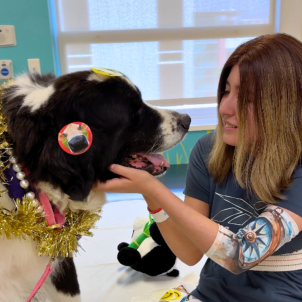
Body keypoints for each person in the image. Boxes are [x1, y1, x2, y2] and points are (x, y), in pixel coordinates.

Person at [94, 33, 302, 301]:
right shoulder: (208, 150)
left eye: (246, 97)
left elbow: (239, 254)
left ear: (283, 105)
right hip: (212, 291)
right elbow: (190, 253)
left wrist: (154, 189)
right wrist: (150, 194)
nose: (224, 107)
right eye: (226, 91)